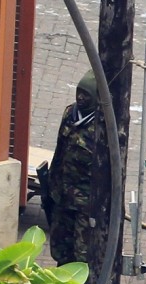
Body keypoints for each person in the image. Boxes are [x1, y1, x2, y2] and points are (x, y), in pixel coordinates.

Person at [46, 70, 97, 265]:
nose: (81, 98)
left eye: (87, 94)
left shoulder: (103, 126)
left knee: (83, 253)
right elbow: (59, 151)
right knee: (61, 247)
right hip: (62, 196)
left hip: (86, 203)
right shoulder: (70, 114)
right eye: (79, 92)